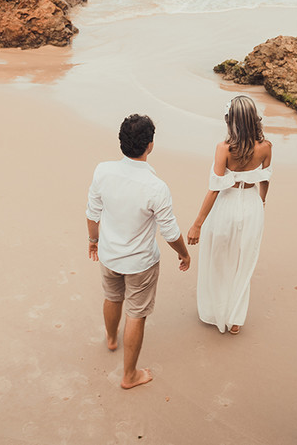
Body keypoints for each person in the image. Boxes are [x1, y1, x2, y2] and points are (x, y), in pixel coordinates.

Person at [86, 113, 191, 389]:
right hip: (140, 263)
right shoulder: (156, 187)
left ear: (121, 142)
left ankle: (111, 339)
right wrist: (184, 253)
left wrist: (93, 241)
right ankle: (129, 375)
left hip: (109, 254)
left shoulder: (102, 171)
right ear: (150, 145)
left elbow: (92, 213)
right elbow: (170, 232)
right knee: (137, 313)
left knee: (111, 296)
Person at [186, 95, 272, 335]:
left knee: (219, 259)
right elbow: (265, 180)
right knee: (243, 262)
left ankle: (216, 312)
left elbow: (215, 189)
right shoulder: (266, 147)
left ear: (230, 121)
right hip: (252, 206)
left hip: (226, 206)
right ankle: (235, 319)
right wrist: (261, 202)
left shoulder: (224, 149)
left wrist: (197, 224)